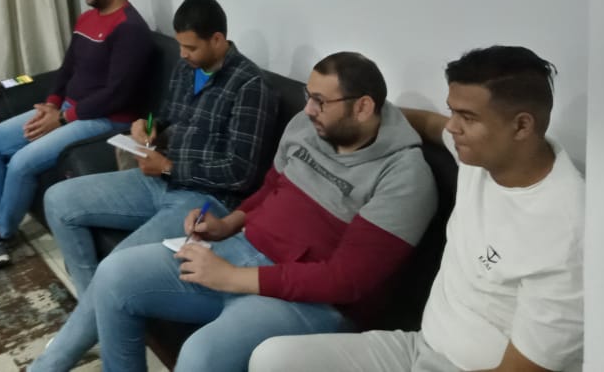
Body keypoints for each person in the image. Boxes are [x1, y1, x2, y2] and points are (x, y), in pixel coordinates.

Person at [37, 50, 438, 372]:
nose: (308, 109)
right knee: (115, 275)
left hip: (310, 301)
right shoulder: (308, 127)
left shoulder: (404, 176)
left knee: (201, 355)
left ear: (363, 107)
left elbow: (346, 282)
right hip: (242, 251)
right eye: (308, 96)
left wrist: (233, 277)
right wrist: (226, 224)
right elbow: (271, 188)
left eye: (320, 101)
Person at [248, 45, 584, 372]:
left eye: (467, 117)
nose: (452, 127)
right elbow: (429, 123)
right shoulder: (483, 156)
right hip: (417, 348)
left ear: (522, 126)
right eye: (453, 111)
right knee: (271, 358)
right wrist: (368, 122)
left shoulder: (567, 234)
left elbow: (522, 369)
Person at [30, 0, 286, 371]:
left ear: (218, 40)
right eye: (180, 45)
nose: (182, 55)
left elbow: (240, 172)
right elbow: (166, 116)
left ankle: (48, 364)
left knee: (117, 267)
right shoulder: (186, 68)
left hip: (203, 200)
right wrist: (147, 127)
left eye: (191, 47)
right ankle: (94, 317)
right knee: (58, 199)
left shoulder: (251, 87)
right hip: (156, 179)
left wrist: (169, 167)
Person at [0, 0, 155, 278]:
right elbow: (68, 67)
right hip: (68, 110)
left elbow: (117, 94)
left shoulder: (130, 28)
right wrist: (53, 103)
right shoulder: (87, 19)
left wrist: (65, 118)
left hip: (104, 119)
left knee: (21, 162)